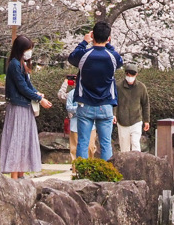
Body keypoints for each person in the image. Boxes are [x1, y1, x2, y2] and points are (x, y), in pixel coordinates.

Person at [67, 21, 123, 161]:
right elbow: (119, 59)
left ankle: (81, 174)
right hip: (105, 105)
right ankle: (106, 176)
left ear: (92, 35)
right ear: (108, 38)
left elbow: (72, 57)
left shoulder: (84, 56)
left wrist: (84, 42)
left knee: (83, 143)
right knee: (105, 144)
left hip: (85, 104)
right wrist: (108, 43)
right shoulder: (113, 57)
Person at [0, 35, 53, 179]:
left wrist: (37, 93)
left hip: (24, 106)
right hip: (18, 107)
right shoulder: (15, 64)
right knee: (17, 140)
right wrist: (39, 99)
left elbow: (28, 85)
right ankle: (15, 177)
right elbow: (22, 87)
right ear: (21, 49)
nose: (29, 52)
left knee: (24, 140)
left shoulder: (20, 63)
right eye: (27, 49)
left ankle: (21, 175)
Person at [59, 74, 98, 161]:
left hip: (91, 124)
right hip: (75, 123)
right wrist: (65, 83)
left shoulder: (91, 93)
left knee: (90, 147)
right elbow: (66, 102)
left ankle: (90, 168)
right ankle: (76, 169)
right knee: (75, 149)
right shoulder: (72, 93)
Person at [115, 63, 150, 153]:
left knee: (135, 143)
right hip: (122, 121)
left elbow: (145, 104)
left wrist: (146, 120)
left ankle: (137, 165)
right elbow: (115, 102)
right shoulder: (118, 87)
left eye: (132, 74)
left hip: (136, 120)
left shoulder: (141, 87)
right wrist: (114, 115)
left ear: (136, 74)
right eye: (128, 74)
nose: (130, 76)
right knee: (124, 147)